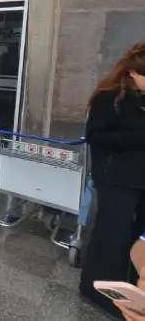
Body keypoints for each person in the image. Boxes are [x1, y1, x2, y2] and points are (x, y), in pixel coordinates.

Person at [79, 42, 145, 318]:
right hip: (115, 177)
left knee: (136, 237)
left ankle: (131, 288)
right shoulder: (109, 97)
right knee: (112, 235)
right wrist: (137, 138)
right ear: (132, 72)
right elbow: (96, 137)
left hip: (141, 180)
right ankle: (96, 289)